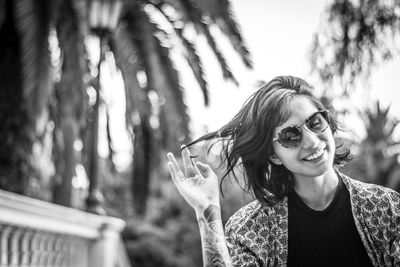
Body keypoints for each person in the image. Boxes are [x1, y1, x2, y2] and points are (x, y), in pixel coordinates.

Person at [166, 76, 400, 267]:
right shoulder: (250, 229)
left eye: (315, 122)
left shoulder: (385, 208)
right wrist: (207, 212)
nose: (311, 141)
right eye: (290, 136)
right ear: (273, 155)